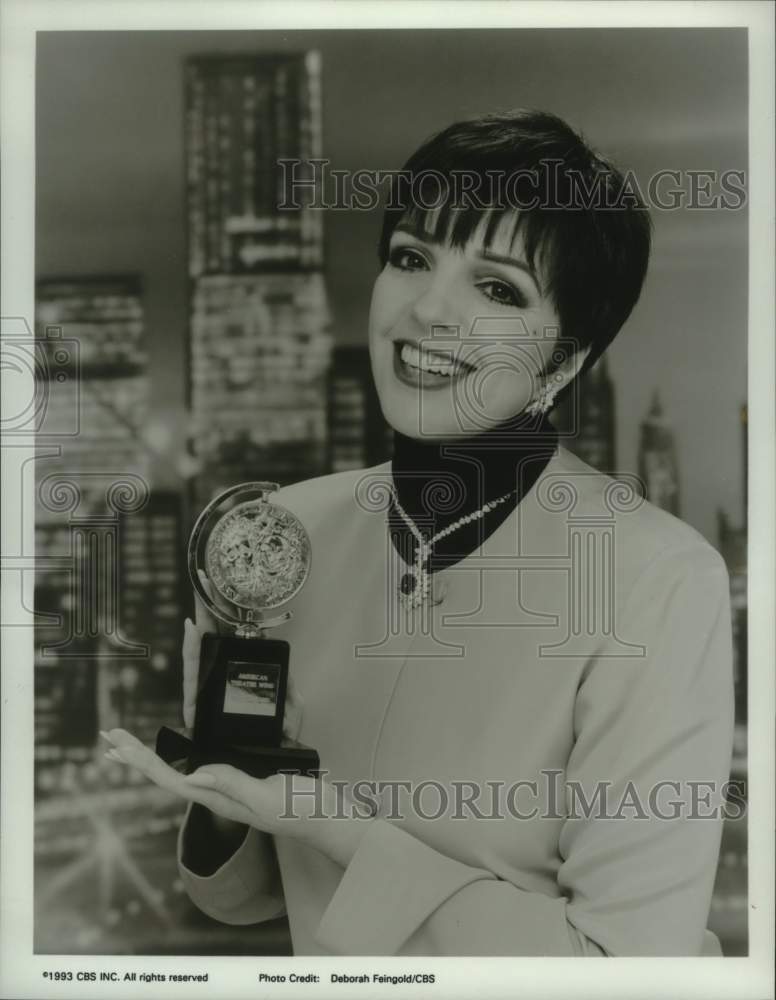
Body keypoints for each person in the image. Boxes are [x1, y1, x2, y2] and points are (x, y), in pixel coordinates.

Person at [104, 110, 734, 956]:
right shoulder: (283, 537)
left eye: (498, 288)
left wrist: (336, 828)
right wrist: (232, 801)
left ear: (566, 361)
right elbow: (255, 900)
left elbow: (624, 967)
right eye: (411, 257)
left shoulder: (656, 579)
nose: (430, 309)